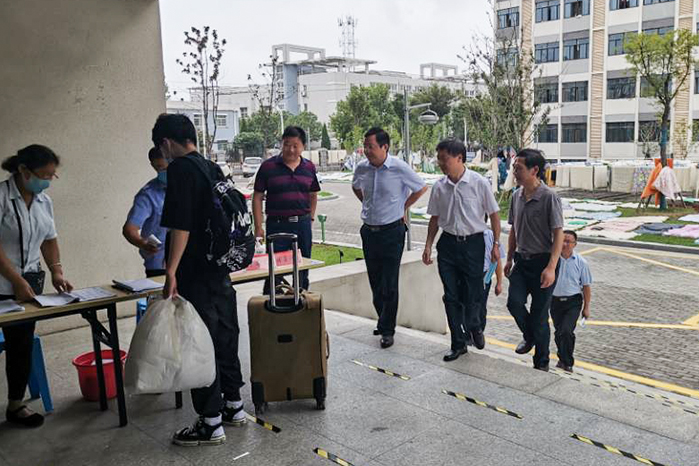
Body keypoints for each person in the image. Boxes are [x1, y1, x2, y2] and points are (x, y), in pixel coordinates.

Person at [153, 113, 245, 447]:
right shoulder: (211, 167)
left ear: (166, 143)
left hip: (195, 272)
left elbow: (181, 226)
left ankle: (210, 422)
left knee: (199, 343)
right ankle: (234, 406)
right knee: (225, 335)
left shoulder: (180, 169)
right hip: (219, 270)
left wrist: (171, 271)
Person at [0, 144, 72, 428]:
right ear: (23, 171)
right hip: (3, 284)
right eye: (44, 175)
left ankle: (15, 405)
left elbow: (49, 238)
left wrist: (57, 271)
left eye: (53, 176)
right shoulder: (1, 197)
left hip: (28, 285)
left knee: (21, 344)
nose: (48, 181)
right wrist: (15, 280)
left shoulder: (44, 201)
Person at [422, 139, 501, 361]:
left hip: (474, 244)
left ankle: (474, 325)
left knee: (473, 293)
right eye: (439, 159)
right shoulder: (439, 187)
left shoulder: (479, 183)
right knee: (451, 296)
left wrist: (496, 244)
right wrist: (428, 245)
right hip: (447, 245)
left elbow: (494, 215)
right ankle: (458, 343)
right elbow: (435, 218)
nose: (440, 163)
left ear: (459, 158)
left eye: (444, 159)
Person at [353, 127, 427, 349]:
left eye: (371, 146)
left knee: (389, 282)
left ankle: (387, 330)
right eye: (365, 146)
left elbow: (421, 188)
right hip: (369, 231)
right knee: (375, 280)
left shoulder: (399, 168)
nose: (367, 150)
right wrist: (368, 204)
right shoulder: (362, 168)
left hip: (392, 231)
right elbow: (356, 187)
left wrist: (403, 206)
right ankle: (383, 319)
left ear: (384, 147)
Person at [505, 148, 564, 372]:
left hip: (543, 262)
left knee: (540, 316)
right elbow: (513, 231)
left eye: (519, 168)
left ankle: (541, 362)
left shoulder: (549, 197)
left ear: (534, 170)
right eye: (514, 168)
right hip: (522, 261)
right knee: (514, 303)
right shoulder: (516, 196)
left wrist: (551, 267)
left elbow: (558, 234)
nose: (515, 172)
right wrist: (509, 259)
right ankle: (529, 336)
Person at [253, 126, 320, 293]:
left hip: (302, 224)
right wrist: (258, 226)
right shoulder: (268, 167)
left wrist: (311, 218)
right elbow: (257, 197)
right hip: (277, 225)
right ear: (281, 144)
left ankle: (300, 299)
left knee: (303, 267)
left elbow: (313, 195)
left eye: (295, 145)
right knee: (274, 268)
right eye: (287, 144)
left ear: (303, 146)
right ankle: (273, 302)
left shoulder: (309, 167)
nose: (291, 149)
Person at [122, 147, 168, 277]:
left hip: (189, 264)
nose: (165, 172)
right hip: (160, 266)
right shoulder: (148, 195)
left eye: (168, 167)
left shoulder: (186, 189)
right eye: (160, 168)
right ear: (153, 166)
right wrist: (143, 243)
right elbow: (130, 229)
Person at [550, 230, 592, 372]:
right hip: (555, 301)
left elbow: (586, 286)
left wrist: (586, 307)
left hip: (573, 301)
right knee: (558, 332)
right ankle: (562, 358)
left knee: (567, 331)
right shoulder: (552, 259)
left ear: (575, 244)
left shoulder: (581, 262)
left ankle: (568, 362)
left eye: (569, 242)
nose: (565, 244)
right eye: (563, 240)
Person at [479, 222, 505, 335]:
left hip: (484, 277)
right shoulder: (465, 235)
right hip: (467, 277)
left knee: (480, 307)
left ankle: (478, 333)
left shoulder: (490, 236)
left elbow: (497, 261)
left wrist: (499, 283)